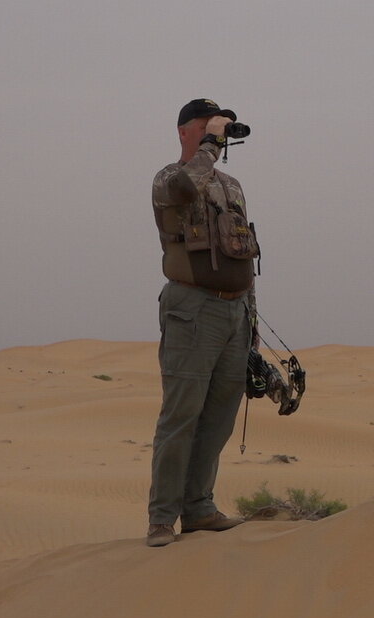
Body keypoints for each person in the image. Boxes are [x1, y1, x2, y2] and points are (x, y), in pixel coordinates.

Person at [145, 98, 257, 546]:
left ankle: (199, 508)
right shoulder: (168, 178)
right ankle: (161, 518)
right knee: (182, 414)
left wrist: (251, 319)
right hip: (191, 309)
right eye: (207, 127)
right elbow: (185, 189)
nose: (219, 135)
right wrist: (209, 146)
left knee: (219, 416)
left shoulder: (232, 185)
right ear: (184, 132)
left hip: (235, 310)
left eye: (222, 129)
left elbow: (243, 248)